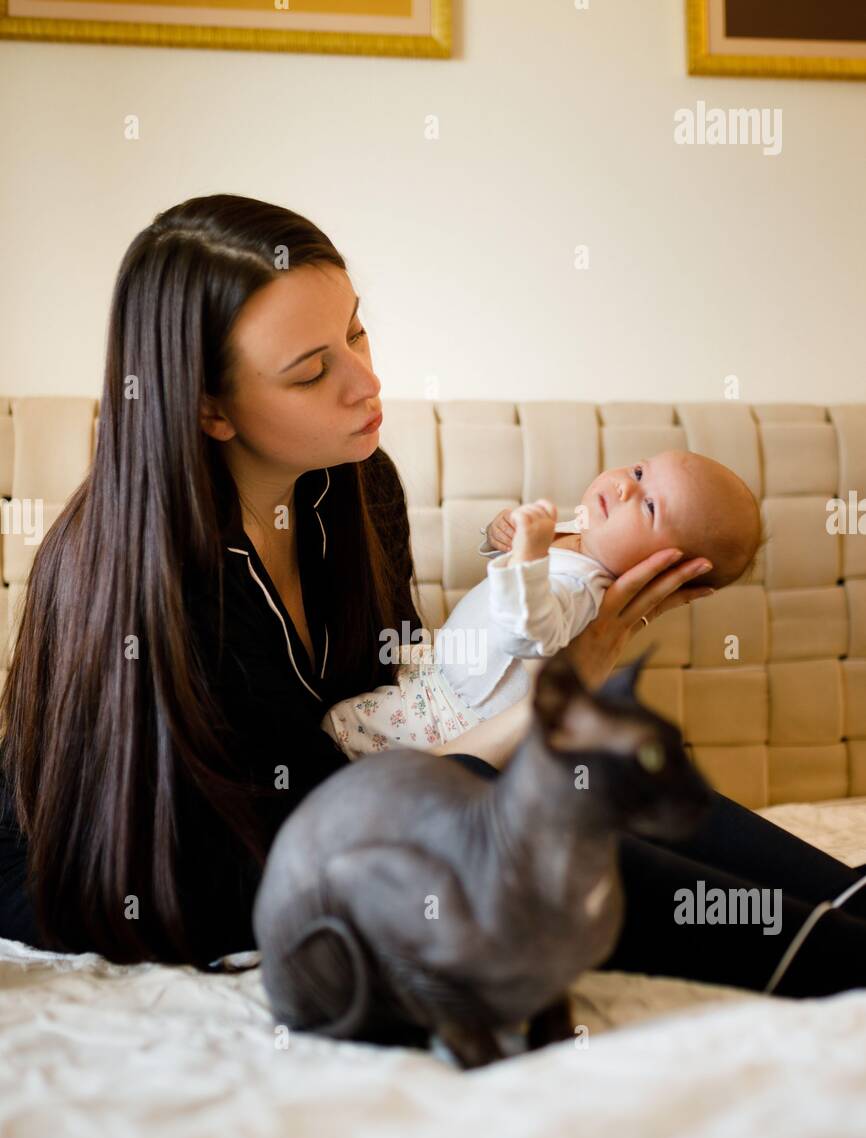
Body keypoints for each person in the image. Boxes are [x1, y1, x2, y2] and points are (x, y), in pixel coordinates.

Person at [2, 193, 862, 999]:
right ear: (210, 411)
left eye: (357, 333)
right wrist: (548, 710)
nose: (365, 383)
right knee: (556, 835)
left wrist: (551, 679)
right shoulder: (155, 585)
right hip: (204, 872)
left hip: (370, 808)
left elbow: (414, 708)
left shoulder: (354, 487)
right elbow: (321, 836)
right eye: (311, 372)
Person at [322, 451, 762, 757]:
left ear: (664, 571)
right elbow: (504, 572)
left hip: (452, 721)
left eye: (649, 508)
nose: (626, 487)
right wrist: (500, 536)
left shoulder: (585, 587)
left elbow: (529, 632)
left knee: (338, 728)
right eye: (640, 472)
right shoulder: (583, 532)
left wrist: (530, 555)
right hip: (437, 673)